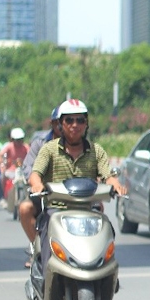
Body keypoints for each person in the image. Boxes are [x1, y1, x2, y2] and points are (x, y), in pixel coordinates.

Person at [28, 99, 125, 265]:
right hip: (57, 210)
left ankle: (108, 276)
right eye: (69, 120)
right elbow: (35, 174)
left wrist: (115, 184)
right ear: (60, 124)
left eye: (80, 120)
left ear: (86, 124)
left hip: (89, 209)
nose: (75, 125)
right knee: (46, 233)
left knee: (107, 232)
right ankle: (46, 277)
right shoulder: (49, 149)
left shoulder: (97, 151)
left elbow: (107, 175)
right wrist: (37, 184)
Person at [18, 108, 60, 266]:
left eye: (78, 121)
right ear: (53, 124)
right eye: (65, 121)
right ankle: (39, 247)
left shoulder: (83, 145)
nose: (72, 126)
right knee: (25, 208)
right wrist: (36, 183)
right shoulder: (40, 144)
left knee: (98, 208)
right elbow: (29, 167)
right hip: (45, 194)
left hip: (73, 196)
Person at [0, 127, 28, 199]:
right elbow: (1, 155)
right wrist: (2, 164)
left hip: (23, 170)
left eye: (21, 139)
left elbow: (31, 154)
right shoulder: (9, 146)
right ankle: (4, 195)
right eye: (17, 140)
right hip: (11, 170)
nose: (19, 142)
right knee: (2, 177)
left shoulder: (25, 147)